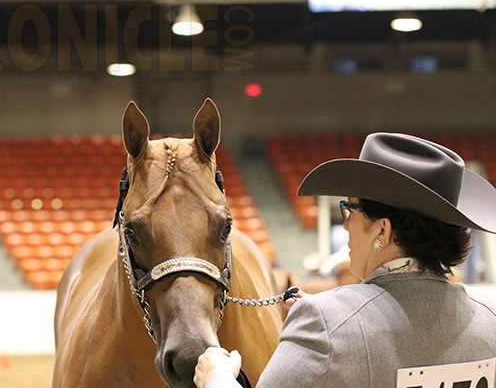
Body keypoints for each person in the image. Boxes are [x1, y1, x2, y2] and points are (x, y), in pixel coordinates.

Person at [195, 132, 496, 387]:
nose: (347, 224)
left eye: (350, 210)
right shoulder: (490, 317)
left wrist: (216, 379)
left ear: (382, 229)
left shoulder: (323, 322)